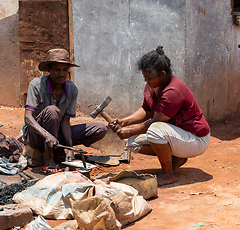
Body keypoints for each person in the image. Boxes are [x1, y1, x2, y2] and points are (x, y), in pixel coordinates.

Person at [109, 46, 210, 186]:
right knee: (132, 142)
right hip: (178, 135)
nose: (146, 81)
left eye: (149, 78)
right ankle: (176, 159)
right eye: (145, 78)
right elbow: (147, 111)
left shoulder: (172, 91)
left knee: (154, 131)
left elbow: (155, 121)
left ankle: (168, 174)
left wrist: (131, 130)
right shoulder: (152, 86)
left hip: (196, 139)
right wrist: (124, 122)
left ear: (162, 74)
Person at [22, 48, 107, 174]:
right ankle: (49, 157)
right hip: (36, 136)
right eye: (57, 70)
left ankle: (60, 150)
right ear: (49, 70)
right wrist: (46, 135)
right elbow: (28, 118)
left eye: (65, 70)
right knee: (52, 111)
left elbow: (65, 121)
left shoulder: (72, 89)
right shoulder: (37, 85)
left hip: (57, 135)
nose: (61, 74)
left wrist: (70, 148)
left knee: (100, 129)